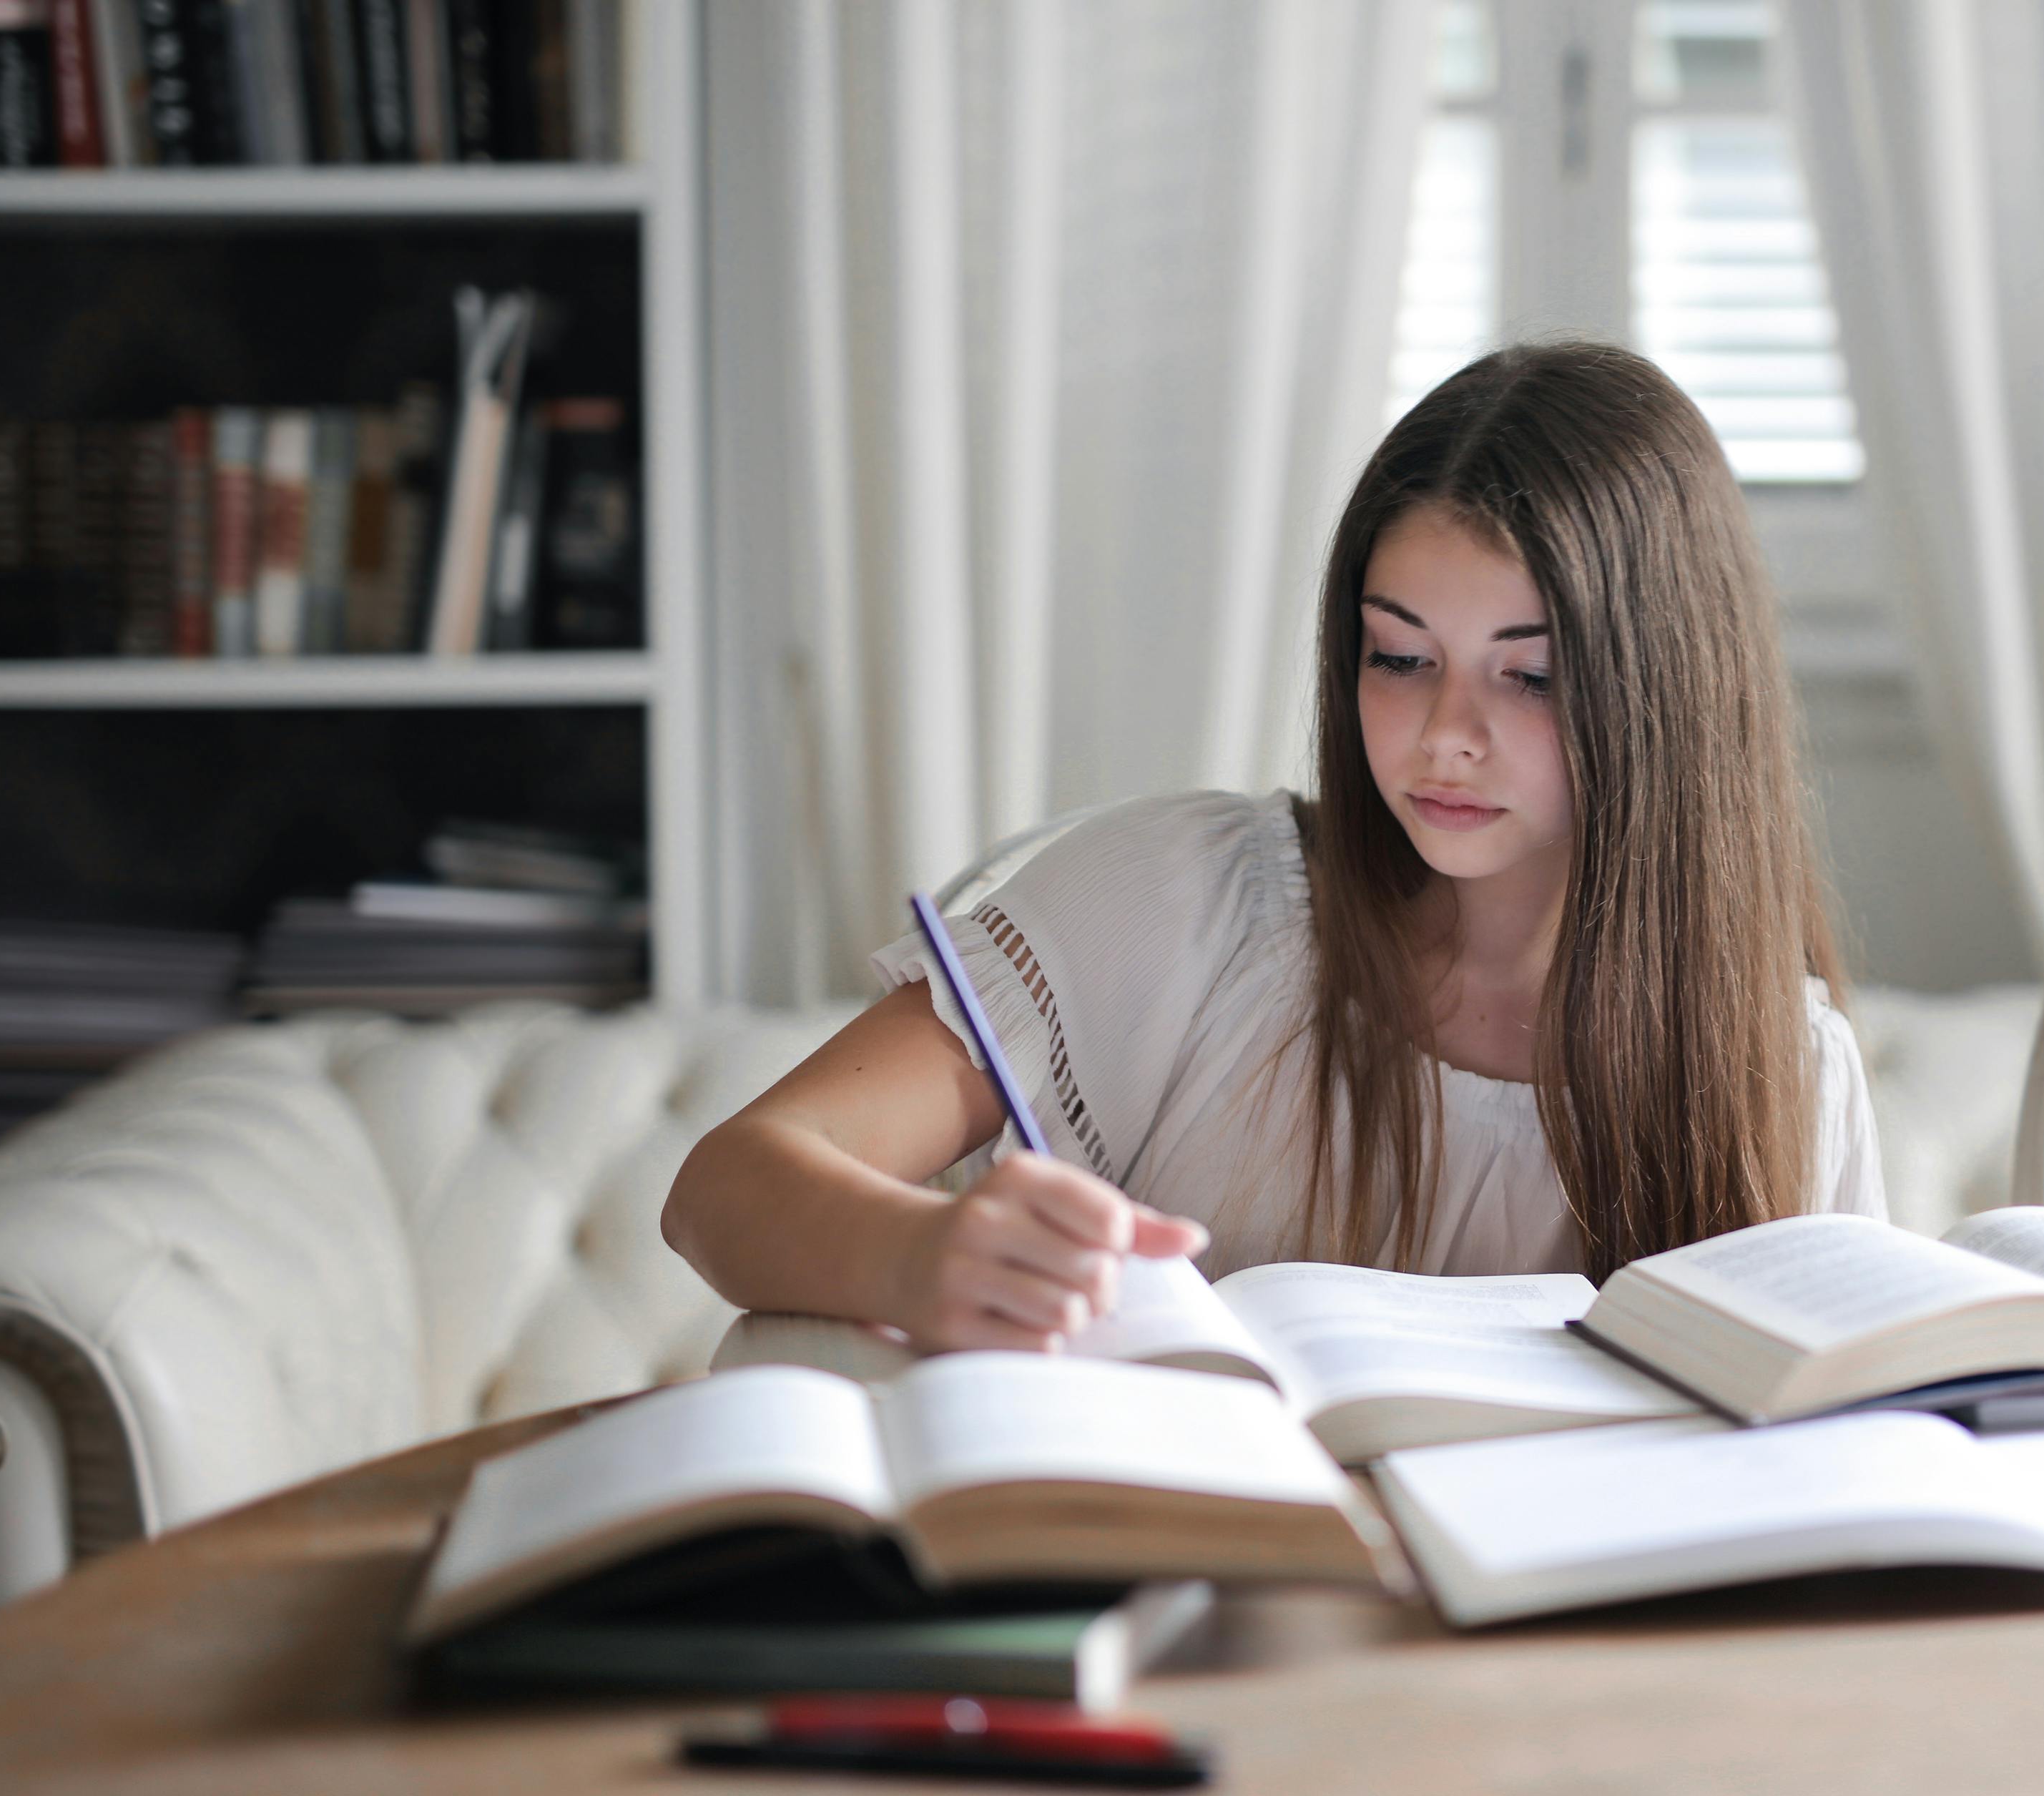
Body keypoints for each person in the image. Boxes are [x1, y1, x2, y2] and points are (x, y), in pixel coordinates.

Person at [662, 341, 1885, 1352]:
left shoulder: (1781, 1071)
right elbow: (724, 1189)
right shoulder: (1191, 904)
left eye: (1530, 678)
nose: (1445, 737)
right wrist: (919, 1254)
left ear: (1664, 694)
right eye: (1399, 658)